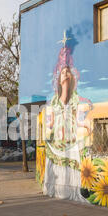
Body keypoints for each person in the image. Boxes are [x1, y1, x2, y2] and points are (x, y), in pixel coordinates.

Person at [43, 43, 92, 203]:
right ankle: (55, 188)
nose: (65, 74)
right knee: (55, 166)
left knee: (72, 166)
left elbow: (78, 120)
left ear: (71, 77)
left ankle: (72, 192)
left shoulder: (76, 99)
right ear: (58, 77)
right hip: (56, 140)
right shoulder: (53, 101)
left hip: (70, 141)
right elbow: (49, 123)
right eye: (62, 72)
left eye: (67, 72)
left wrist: (86, 124)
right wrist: (47, 127)